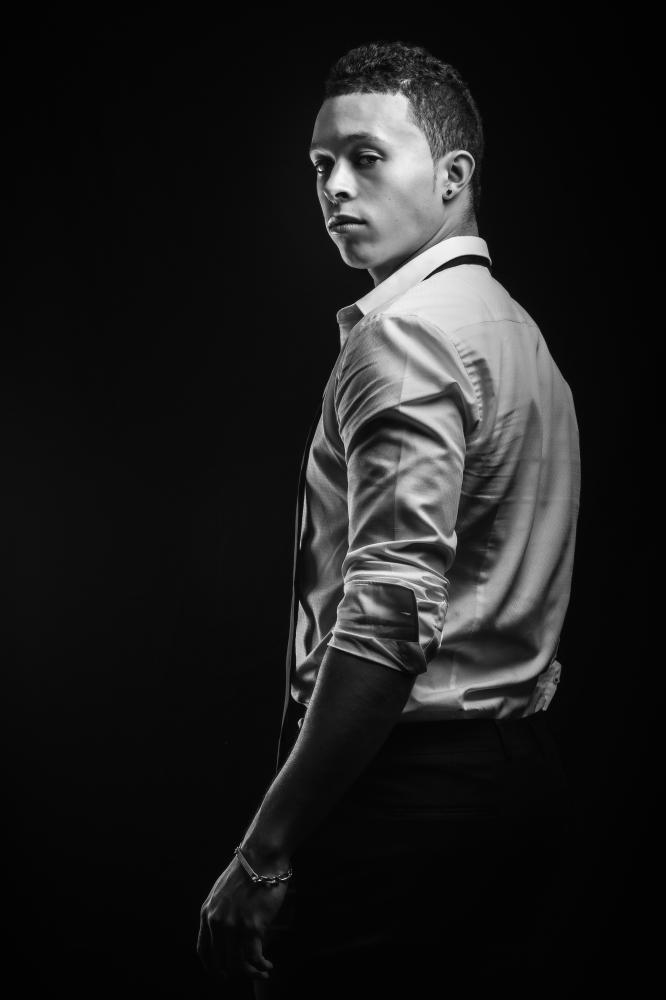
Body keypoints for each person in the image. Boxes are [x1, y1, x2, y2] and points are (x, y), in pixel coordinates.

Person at [197, 40, 581, 997]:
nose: (334, 186)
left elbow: (386, 624)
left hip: (406, 798)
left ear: (454, 176)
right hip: (513, 780)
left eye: (366, 158)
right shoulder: (516, 331)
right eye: (321, 164)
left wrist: (263, 852)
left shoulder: (407, 338)